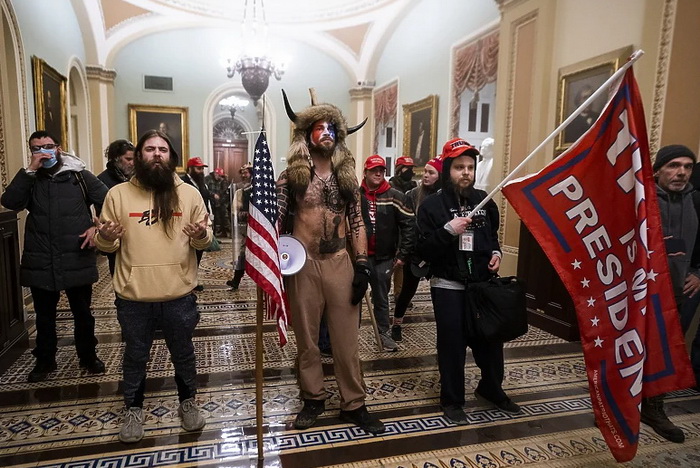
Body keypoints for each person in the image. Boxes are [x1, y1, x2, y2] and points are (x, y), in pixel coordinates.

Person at [94, 129, 212, 443]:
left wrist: (201, 235)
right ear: (138, 155)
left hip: (179, 294)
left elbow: (205, 239)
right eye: (149, 149)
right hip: (134, 296)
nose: (157, 154)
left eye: (163, 149)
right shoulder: (118, 194)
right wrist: (105, 237)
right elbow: (106, 245)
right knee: (135, 355)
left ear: (171, 157)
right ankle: (133, 408)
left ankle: (188, 401)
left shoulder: (189, 194)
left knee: (184, 353)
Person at [279, 89, 384, 434]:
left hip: (340, 263)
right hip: (303, 265)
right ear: (306, 134)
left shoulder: (346, 178)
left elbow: (357, 222)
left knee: (346, 341)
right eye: (319, 127)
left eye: (331, 128)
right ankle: (313, 398)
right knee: (307, 340)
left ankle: (354, 404)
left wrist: (363, 264)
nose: (326, 132)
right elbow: (274, 220)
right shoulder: (291, 177)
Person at [416, 137, 520, 425]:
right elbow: (422, 250)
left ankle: (491, 388)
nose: (466, 173)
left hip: (482, 286)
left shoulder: (484, 201)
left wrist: (496, 253)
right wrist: (448, 231)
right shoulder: (431, 207)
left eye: (470, 167)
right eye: (459, 167)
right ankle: (452, 399)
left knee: (491, 341)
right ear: (447, 170)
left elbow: (492, 237)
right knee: (452, 345)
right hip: (448, 286)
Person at [1, 131, 108, 382]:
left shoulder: (79, 175)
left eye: (48, 146)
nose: (44, 152)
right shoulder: (30, 178)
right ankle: (45, 360)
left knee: (83, 313)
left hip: (76, 255)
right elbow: (10, 202)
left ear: (58, 148)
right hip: (41, 257)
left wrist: (97, 227)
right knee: (44, 316)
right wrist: (29, 170)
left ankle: (88, 356)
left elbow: (110, 200)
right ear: (31, 152)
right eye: (37, 148)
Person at [646, 144, 700, 443]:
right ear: (658, 170)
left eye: (687, 167)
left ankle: (654, 408)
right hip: (640, 291)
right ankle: (621, 402)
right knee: (630, 348)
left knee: (664, 351)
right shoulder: (641, 200)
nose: (681, 172)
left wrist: (698, 272)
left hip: (679, 291)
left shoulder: (697, 201)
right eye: (674, 165)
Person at [360, 154, 414, 351]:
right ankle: (349, 336)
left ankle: (383, 334)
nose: (378, 173)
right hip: (359, 257)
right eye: (373, 170)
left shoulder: (395, 196)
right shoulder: (356, 195)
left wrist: (402, 255)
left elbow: (409, 225)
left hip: (383, 258)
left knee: (381, 298)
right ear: (365, 172)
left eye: (381, 170)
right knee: (354, 297)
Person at [391, 156, 443, 342]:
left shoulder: (445, 197)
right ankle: (396, 324)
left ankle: (445, 329)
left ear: (440, 175)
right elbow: (406, 225)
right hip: (415, 252)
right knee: (407, 291)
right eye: (425, 171)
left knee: (441, 293)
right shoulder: (413, 194)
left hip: (438, 252)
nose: (425, 175)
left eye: (431, 172)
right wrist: (404, 250)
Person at [98, 139, 136, 275]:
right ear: (116, 159)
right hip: (114, 235)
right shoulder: (102, 181)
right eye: (128, 159)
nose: (132, 163)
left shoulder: (136, 178)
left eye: (134, 159)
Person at [182, 157, 211, 291]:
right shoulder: (183, 182)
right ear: (190, 169)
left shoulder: (202, 183)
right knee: (187, 253)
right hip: (187, 224)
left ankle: (193, 278)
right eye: (198, 168)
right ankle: (185, 279)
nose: (201, 171)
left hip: (201, 223)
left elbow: (206, 200)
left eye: (202, 169)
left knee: (198, 252)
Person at [227, 163, 252, 290]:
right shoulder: (239, 190)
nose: (243, 175)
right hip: (245, 226)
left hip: (259, 226)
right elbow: (235, 210)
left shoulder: (259, 189)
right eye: (242, 173)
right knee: (242, 253)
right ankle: (236, 280)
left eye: (246, 172)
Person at [205, 167, 230, 237]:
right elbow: (205, 190)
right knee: (214, 218)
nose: (219, 177)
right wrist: (213, 195)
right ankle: (213, 233)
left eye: (220, 175)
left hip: (220, 201)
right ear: (215, 173)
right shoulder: (207, 179)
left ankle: (224, 232)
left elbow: (224, 190)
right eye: (218, 175)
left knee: (223, 216)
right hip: (211, 201)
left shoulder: (222, 180)